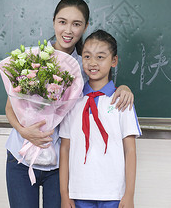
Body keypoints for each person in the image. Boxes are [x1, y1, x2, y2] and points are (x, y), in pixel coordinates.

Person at [4, 0, 135, 208]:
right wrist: (23, 130)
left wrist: (124, 88)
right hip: (21, 155)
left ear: (85, 27)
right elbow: (10, 106)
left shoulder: (84, 66)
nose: (68, 30)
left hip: (58, 162)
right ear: (53, 21)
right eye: (62, 22)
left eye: (76, 24)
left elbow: (100, 93)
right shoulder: (33, 57)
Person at [59, 30, 141, 208]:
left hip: (113, 193)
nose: (92, 63)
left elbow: (130, 151)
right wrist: (64, 194)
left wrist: (129, 194)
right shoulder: (73, 100)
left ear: (114, 61)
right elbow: (65, 149)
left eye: (100, 57)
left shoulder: (122, 100)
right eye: (87, 56)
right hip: (79, 191)